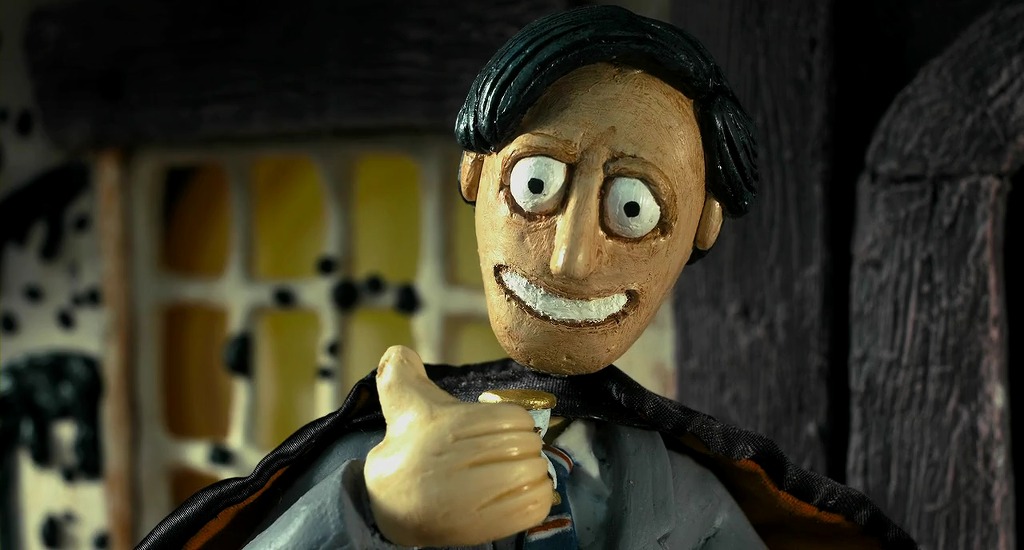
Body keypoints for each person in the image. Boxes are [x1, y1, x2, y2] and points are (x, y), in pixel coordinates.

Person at [137, 6, 915, 549]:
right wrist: (368, 513)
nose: (572, 258)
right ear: (476, 174)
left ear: (700, 229)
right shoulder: (375, 464)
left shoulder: (690, 503)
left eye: (634, 208)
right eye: (537, 185)